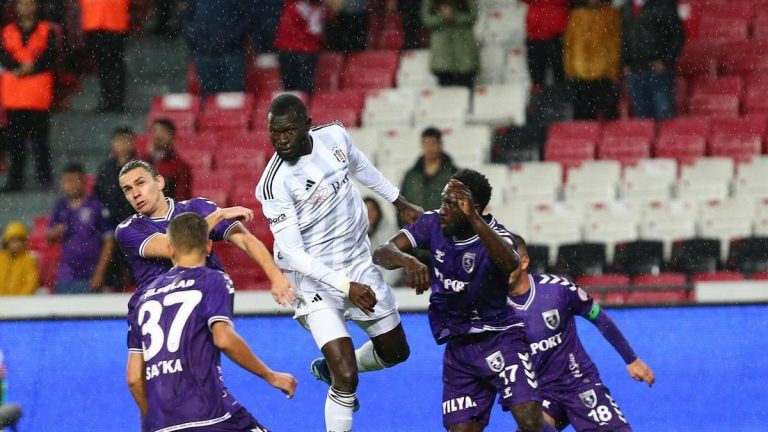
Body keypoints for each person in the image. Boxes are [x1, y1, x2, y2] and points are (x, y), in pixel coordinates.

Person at [255, 94, 423, 432]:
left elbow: (359, 166)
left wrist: (399, 200)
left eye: (289, 131)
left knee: (396, 352)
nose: (281, 140)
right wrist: (346, 287)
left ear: (307, 124)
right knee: (346, 374)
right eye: (275, 132)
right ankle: (336, 374)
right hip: (314, 279)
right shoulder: (274, 184)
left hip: (358, 263)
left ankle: (328, 369)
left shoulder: (334, 136)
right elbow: (293, 254)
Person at [373, 169, 556, 432]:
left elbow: (510, 264)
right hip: (459, 348)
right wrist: (407, 260)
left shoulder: (498, 236)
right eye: (443, 201)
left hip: (500, 338)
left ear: (473, 208)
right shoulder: (432, 224)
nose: (442, 209)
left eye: (451, 203)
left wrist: (473, 218)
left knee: (530, 421)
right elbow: (381, 252)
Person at [126, 212, 297, 431]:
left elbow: (134, 377)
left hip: (161, 423)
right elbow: (224, 339)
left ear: (170, 249)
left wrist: (157, 422)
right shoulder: (211, 280)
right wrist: (270, 375)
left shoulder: (144, 299)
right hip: (208, 413)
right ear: (208, 247)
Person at [507, 234, 655, 431]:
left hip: (577, 381)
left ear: (524, 262)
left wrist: (631, 359)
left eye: (507, 261)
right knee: (530, 426)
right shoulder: (493, 307)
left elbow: (598, 316)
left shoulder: (558, 289)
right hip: (539, 393)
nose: (502, 267)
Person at [115, 159, 292, 297]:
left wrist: (276, 276)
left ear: (159, 182)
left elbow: (246, 240)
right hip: (159, 319)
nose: (135, 193)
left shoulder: (197, 208)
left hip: (205, 306)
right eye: (127, 189)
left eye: (140, 183)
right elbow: (175, 246)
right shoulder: (128, 229)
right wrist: (219, 215)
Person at [0, 0, 56, 193]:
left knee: (40, 141)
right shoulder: (7, 31)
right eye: (22, 4)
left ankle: (44, 179)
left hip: (38, 96)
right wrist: (23, 67)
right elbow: (3, 55)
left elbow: (51, 56)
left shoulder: (46, 30)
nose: (25, 8)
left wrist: (25, 68)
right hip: (14, 96)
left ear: (36, 6)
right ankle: (15, 180)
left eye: (29, 3)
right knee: (16, 143)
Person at [46, 163, 114, 294]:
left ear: (83, 181)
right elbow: (48, 236)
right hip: (65, 275)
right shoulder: (60, 206)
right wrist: (56, 231)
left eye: (74, 180)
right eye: (67, 180)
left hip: (90, 274)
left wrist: (99, 273)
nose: (70, 184)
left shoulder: (96, 206)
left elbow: (109, 241)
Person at [621, 0, 684, 120]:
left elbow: (678, 36)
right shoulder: (626, 6)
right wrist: (625, 62)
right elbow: (624, 37)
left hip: (658, 71)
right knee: (642, 117)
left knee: (665, 115)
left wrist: (665, 61)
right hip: (635, 71)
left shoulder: (664, 4)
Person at [93, 126, 137, 290]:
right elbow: (97, 197)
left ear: (134, 143)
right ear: (113, 144)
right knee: (112, 279)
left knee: (137, 275)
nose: (123, 145)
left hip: (136, 229)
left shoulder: (143, 168)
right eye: (119, 141)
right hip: (110, 230)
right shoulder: (105, 169)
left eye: (127, 140)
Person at [564, 0, 621, 120]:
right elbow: (569, 45)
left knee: (608, 117)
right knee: (582, 117)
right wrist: (570, 69)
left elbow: (615, 44)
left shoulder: (611, 15)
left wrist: (612, 70)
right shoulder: (576, 15)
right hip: (580, 73)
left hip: (603, 73)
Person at [182, 0, 253, 95]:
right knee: (209, 93)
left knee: (234, 92)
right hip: (205, 53)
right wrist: (198, 39)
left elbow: (247, 17)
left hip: (232, 52)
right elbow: (187, 19)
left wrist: (232, 37)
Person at [79, 0, 129, 112]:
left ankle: (111, 99)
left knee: (108, 63)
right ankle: (112, 99)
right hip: (109, 19)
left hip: (103, 18)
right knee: (109, 63)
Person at [274, 0, 332, 94]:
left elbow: (316, 30)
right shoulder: (314, 8)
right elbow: (316, 31)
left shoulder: (317, 8)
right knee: (296, 89)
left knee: (297, 89)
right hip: (298, 50)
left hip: (298, 50)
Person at [400, 127, 458, 217]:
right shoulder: (411, 176)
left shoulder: (453, 175)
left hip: (443, 225)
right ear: (421, 144)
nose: (429, 148)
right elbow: (402, 205)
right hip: (416, 225)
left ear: (440, 144)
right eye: (426, 143)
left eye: (433, 143)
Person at [421, 0, 479, 88]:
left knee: (465, 89)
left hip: (464, 52)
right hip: (442, 55)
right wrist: (442, 16)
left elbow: (473, 16)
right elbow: (426, 19)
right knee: (447, 94)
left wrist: (454, 15)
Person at [522, 0, 569, 92]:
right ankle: (539, 94)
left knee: (560, 73)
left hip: (557, 34)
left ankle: (560, 94)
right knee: (537, 74)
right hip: (537, 34)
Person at [146, 118, 192, 201]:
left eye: (163, 131)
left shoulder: (180, 166)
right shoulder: (142, 161)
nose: (158, 136)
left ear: (172, 136)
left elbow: (182, 198)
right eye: (155, 131)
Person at [364, 196, 403, 287]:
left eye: (372, 210)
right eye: (366, 210)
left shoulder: (389, 233)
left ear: (378, 211)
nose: (369, 214)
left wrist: (383, 285)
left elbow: (396, 262)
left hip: (388, 286)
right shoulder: (355, 233)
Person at [0, 221, 39, 295]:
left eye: (18, 240)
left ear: (24, 242)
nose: (15, 244)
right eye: (12, 240)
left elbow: (31, 283)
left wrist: (19, 299)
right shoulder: (1, 258)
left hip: (20, 300)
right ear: (7, 242)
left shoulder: (29, 260)